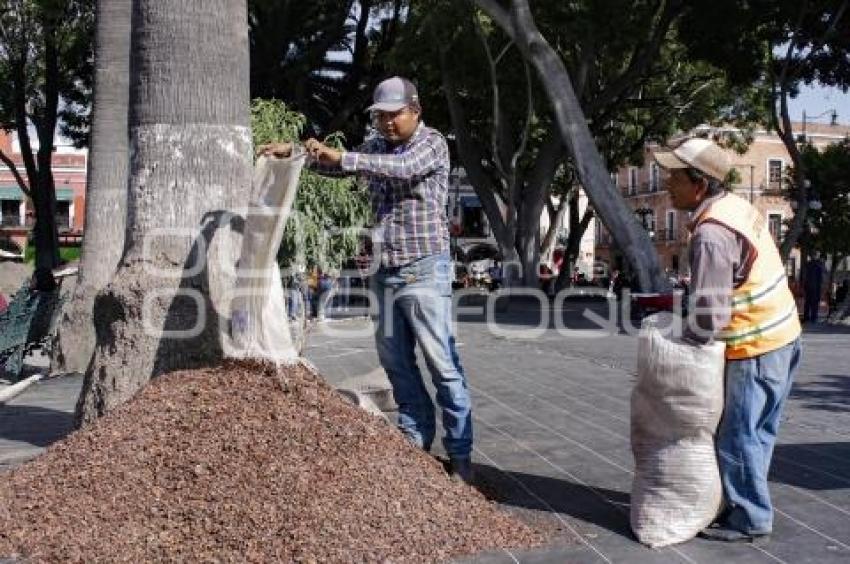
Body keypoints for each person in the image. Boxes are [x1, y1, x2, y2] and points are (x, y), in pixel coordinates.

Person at [258, 76, 474, 483]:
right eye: (380, 117)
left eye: (394, 115)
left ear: (415, 111)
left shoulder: (432, 144)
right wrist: (294, 151)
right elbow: (338, 166)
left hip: (425, 268)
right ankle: (415, 439)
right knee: (396, 362)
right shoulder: (373, 146)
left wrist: (342, 157)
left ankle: (461, 455)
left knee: (442, 364)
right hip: (384, 270)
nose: (387, 124)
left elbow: (397, 168)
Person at [655, 138, 802, 542]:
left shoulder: (712, 233)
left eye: (675, 177)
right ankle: (746, 499)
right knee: (759, 432)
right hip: (783, 336)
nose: (668, 184)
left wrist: (680, 346)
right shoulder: (734, 206)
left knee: (737, 435)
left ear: (699, 183)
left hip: (755, 346)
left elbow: (711, 315)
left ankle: (750, 516)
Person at [802, 253, 825, 322]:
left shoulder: (807, 265)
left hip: (808, 287)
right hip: (815, 288)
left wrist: (804, 286)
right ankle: (813, 318)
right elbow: (820, 279)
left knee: (807, 303)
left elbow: (804, 276)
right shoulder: (819, 266)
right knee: (814, 304)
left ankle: (806, 317)